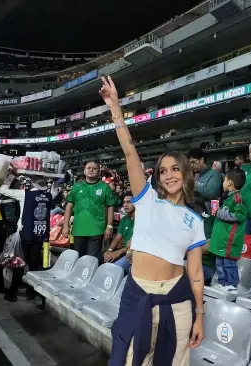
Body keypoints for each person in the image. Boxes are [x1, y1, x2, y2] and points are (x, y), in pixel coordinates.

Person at [99, 75, 204, 365]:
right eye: (162, 171)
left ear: (185, 173)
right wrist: (116, 110)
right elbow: (130, 152)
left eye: (175, 169)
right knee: (131, 359)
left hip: (178, 301)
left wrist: (199, 316)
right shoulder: (145, 200)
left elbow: (195, 273)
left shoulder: (195, 220)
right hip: (139, 294)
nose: (168, 175)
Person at [0, 169, 58, 302]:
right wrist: (53, 179)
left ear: (32, 184)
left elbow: (2, 190)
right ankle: (32, 292)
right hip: (40, 234)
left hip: (25, 233)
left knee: (19, 262)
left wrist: (12, 175)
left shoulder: (24, 195)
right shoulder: (48, 196)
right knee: (34, 263)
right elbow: (55, 190)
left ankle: (13, 292)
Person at [62, 161, 116, 262]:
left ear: (99, 172)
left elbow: (110, 207)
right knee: (78, 259)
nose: (91, 170)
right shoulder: (76, 187)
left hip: (97, 230)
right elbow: (69, 207)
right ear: (84, 171)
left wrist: (109, 226)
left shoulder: (105, 187)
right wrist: (65, 226)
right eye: (89, 168)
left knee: (92, 260)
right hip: (79, 230)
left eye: (94, 168)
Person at [208, 169, 247, 292]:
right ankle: (224, 283)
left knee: (228, 264)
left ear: (230, 182)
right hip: (222, 240)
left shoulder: (237, 197)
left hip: (229, 240)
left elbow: (238, 216)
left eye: (224, 180)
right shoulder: (228, 198)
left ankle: (231, 285)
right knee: (220, 263)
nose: (223, 183)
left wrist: (219, 212)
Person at [105, 192, 135, 274]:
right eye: (124, 202)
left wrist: (118, 253)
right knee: (102, 260)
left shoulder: (142, 219)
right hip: (124, 250)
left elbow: (135, 244)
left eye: (129, 202)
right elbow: (117, 238)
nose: (125, 205)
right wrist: (110, 250)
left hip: (134, 253)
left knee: (116, 268)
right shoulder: (124, 219)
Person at [187, 148, 223, 213]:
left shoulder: (215, 174)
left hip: (210, 211)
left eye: (193, 162)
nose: (191, 165)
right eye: (190, 163)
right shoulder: (194, 174)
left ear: (202, 160)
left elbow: (211, 193)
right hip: (195, 210)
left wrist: (192, 184)